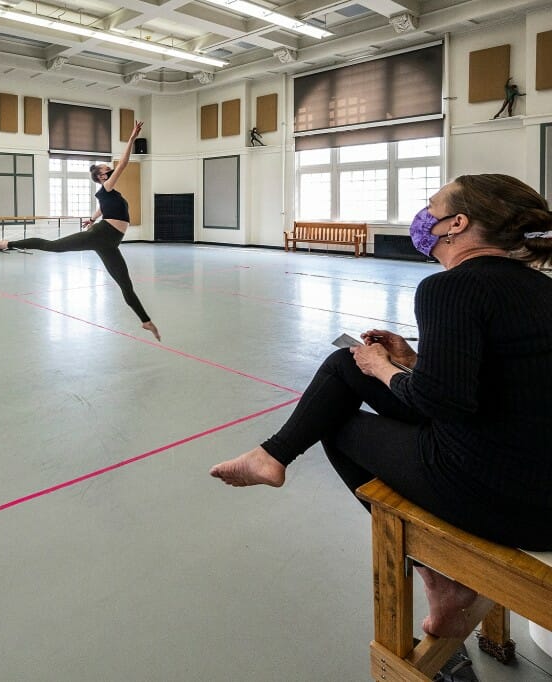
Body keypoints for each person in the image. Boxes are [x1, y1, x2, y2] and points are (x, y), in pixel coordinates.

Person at [210, 173, 552, 640]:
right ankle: (272, 456)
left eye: (433, 208)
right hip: (536, 477)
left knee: (335, 424)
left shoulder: (449, 288)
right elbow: (500, 379)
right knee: (344, 363)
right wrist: (410, 360)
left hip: (502, 496)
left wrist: (383, 367)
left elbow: (441, 402)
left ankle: (439, 577)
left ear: (457, 224)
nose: (424, 217)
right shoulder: (537, 286)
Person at [0, 121, 160, 341]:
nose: (109, 168)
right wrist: (131, 138)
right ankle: (7, 244)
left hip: (110, 243)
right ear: (101, 176)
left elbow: (102, 208)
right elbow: (124, 163)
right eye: (106, 169)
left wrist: (91, 218)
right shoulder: (107, 186)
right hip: (101, 235)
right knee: (52, 246)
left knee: (125, 284)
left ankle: (145, 321)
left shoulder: (109, 193)